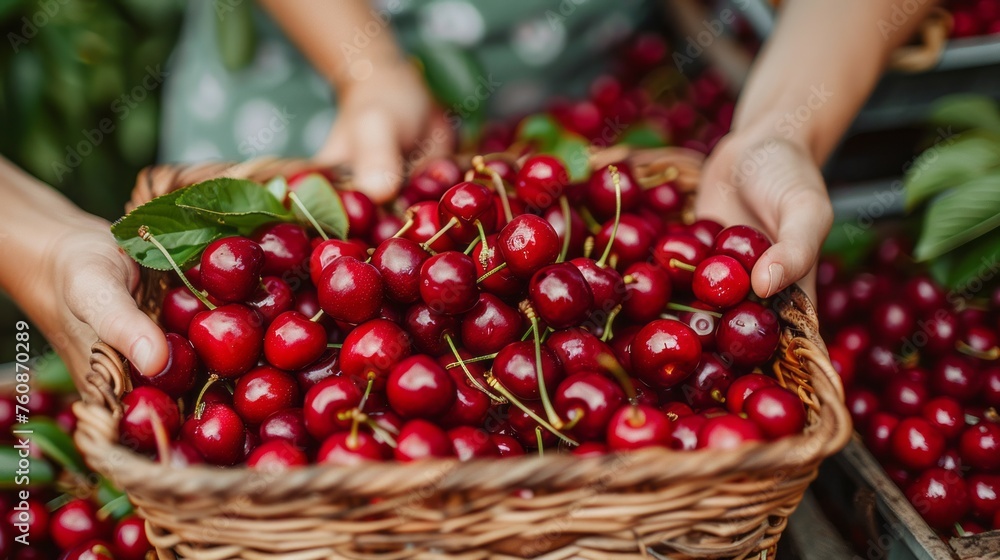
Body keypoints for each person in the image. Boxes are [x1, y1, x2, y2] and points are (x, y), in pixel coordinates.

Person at [0, 0, 936, 380]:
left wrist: (779, 127)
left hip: (575, 137)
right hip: (294, 110)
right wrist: (366, 70)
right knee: (249, 267)